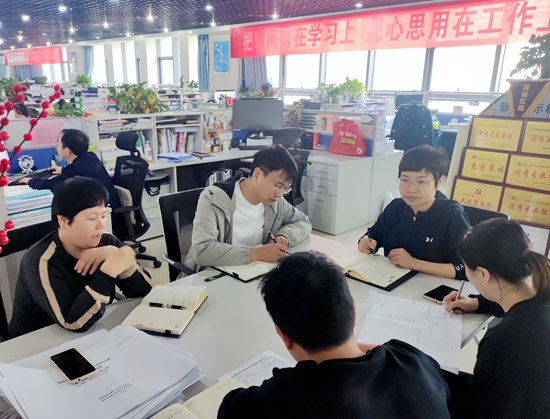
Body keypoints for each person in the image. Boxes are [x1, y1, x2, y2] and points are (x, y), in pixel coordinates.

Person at [218, 252, 451, 419]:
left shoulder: (281, 398)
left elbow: (229, 408)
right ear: (353, 312)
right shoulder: (414, 361)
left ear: (283, 335)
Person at [8, 177, 152, 338]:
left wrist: (125, 262)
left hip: (90, 333)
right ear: (63, 220)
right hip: (34, 342)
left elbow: (144, 291)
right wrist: (109, 271)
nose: (101, 225)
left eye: (103, 215)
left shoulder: (107, 242)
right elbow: (74, 323)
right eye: (92, 218)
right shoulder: (41, 260)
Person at [443, 218, 550, 419]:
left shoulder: (503, 341)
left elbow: (478, 411)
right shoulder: (542, 293)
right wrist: (477, 303)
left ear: (483, 274)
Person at [185, 145, 311, 271]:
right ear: (257, 174)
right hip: (211, 275)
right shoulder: (213, 199)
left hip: (251, 272)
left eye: (285, 189)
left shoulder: (276, 202)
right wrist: (255, 253)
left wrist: (285, 236)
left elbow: (303, 221)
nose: (280, 194)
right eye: (278, 186)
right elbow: (203, 251)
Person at [358, 145, 470, 279]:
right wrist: (367, 243)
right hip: (391, 281)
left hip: (433, 286)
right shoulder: (395, 207)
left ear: (439, 182)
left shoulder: (452, 215)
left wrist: (414, 263)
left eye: (421, 181)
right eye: (405, 180)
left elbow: (465, 269)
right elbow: (373, 235)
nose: (410, 189)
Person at [20, 128, 121, 208]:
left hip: (107, 215)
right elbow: (80, 172)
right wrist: (62, 170)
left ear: (67, 151)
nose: (56, 147)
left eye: (58, 143)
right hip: (109, 206)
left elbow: (52, 184)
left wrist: (30, 181)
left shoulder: (76, 169)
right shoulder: (90, 156)